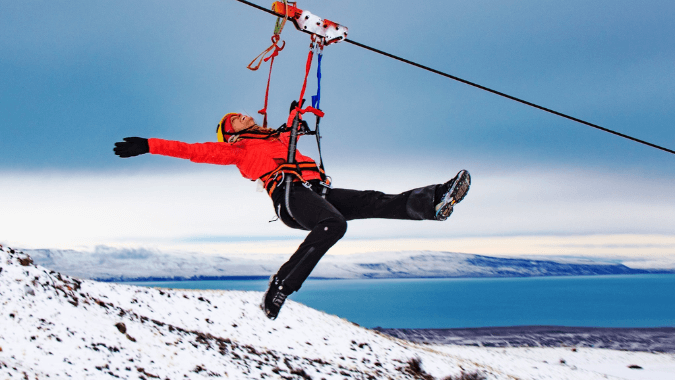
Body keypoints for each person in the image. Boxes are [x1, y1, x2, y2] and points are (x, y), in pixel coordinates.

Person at [113, 104, 471, 320]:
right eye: (231, 119)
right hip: (289, 195)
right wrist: (148, 145)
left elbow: (293, 125)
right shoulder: (237, 150)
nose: (238, 115)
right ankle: (282, 284)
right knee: (334, 225)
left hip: (316, 190)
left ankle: (435, 202)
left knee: (372, 199)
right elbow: (192, 150)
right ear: (229, 135)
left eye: (238, 114)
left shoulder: (278, 138)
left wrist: (300, 114)